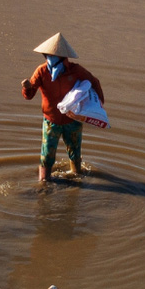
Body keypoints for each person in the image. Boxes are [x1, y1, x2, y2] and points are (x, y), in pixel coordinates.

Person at [21, 33, 104, 183]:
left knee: (75, 152)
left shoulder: (76, 71)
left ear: (62, 57)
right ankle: (44, 183)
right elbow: (29, 95)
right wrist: (27, 88)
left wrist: (98, 106)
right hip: (51, 121)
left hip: (72, 120)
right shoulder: (42, 71)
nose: (50, 59)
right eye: (48, 56)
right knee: (47, 154)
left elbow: (94, 82)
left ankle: (76, 176)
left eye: (53, 56)